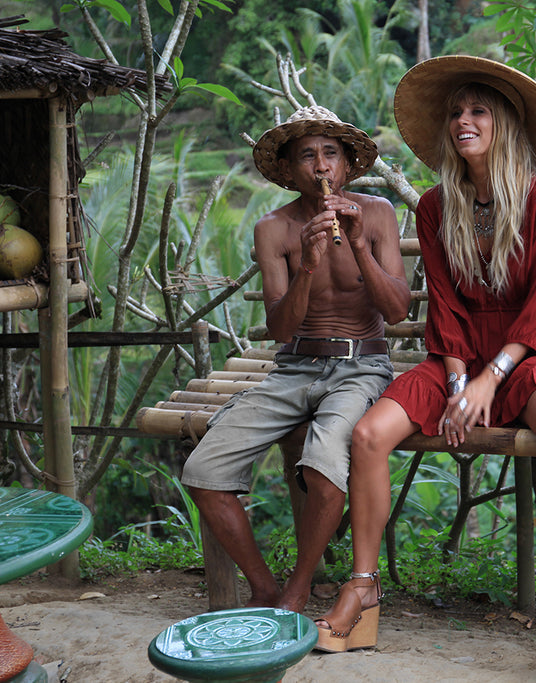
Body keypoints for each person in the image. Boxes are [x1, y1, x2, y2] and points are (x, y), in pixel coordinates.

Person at [315, 57, 536, 682]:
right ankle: (363, 587)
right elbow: (445, 306)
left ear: (503, 123)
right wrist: (457, 384)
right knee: (368, 434)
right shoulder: (434, 205)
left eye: (477, 111)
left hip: (527, 353)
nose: (462, 121)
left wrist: (489, 378)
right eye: (455, 112)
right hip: (456, 357)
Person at [180, 105, 411, 612]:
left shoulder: (376, 214)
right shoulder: (274, 229)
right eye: (307, 156)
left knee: (325, 470)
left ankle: (298, 586)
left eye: (331, 154)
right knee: (202, 471)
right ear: (288, 169)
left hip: (361, 366)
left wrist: (357, 245)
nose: (321, 166)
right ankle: (264, 587)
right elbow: (281, 329)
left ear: (347, 165)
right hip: (294, 369)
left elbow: (397, 311)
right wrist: (307, 265)